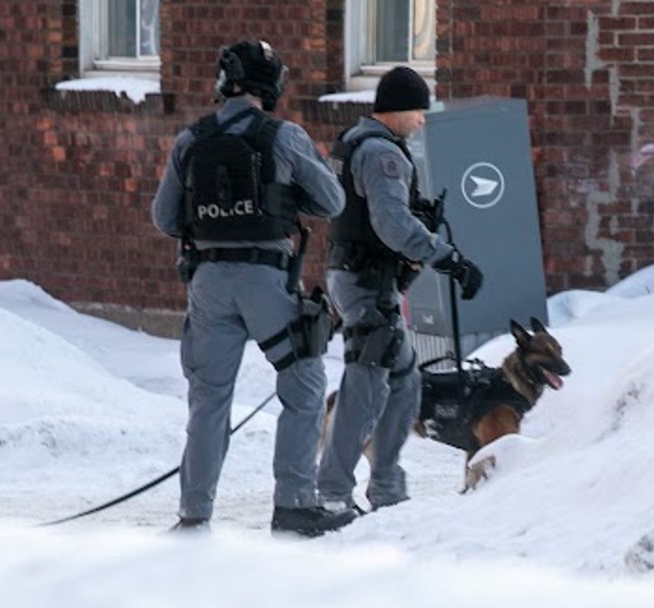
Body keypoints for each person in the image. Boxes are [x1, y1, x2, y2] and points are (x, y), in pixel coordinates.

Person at [152, 39, 358, 537]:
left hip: (207, 283)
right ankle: (293, 503)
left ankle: (193, 513)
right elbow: (331, 202)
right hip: (266, 279)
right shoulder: (283, 136)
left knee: (208, 400)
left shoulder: (191, 139)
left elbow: (164, 217)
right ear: (273, 85)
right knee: (304, 386)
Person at [318, 66, 483, 512]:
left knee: (405, 381)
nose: (421, 121)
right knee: (364, 387)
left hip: (363, 278)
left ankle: (387, 485)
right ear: (398, 109)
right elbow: (392, 225)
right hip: (365, 282)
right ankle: (333, 492)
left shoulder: (355, 141)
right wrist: (447, 257)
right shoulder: (381, 153)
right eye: (418, 111)